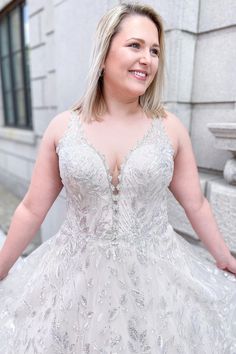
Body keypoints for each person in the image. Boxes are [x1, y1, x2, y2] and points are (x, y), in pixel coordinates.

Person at [0, 2, 236, 353]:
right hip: (75, 282)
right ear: (105, 51)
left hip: (155, 280)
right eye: (135, 46)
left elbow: (196, 204)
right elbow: (32, 209)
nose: (148, 59)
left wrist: (224, 258)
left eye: (155, 50)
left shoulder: (169, 128)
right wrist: (2, 268)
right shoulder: (63, 128)